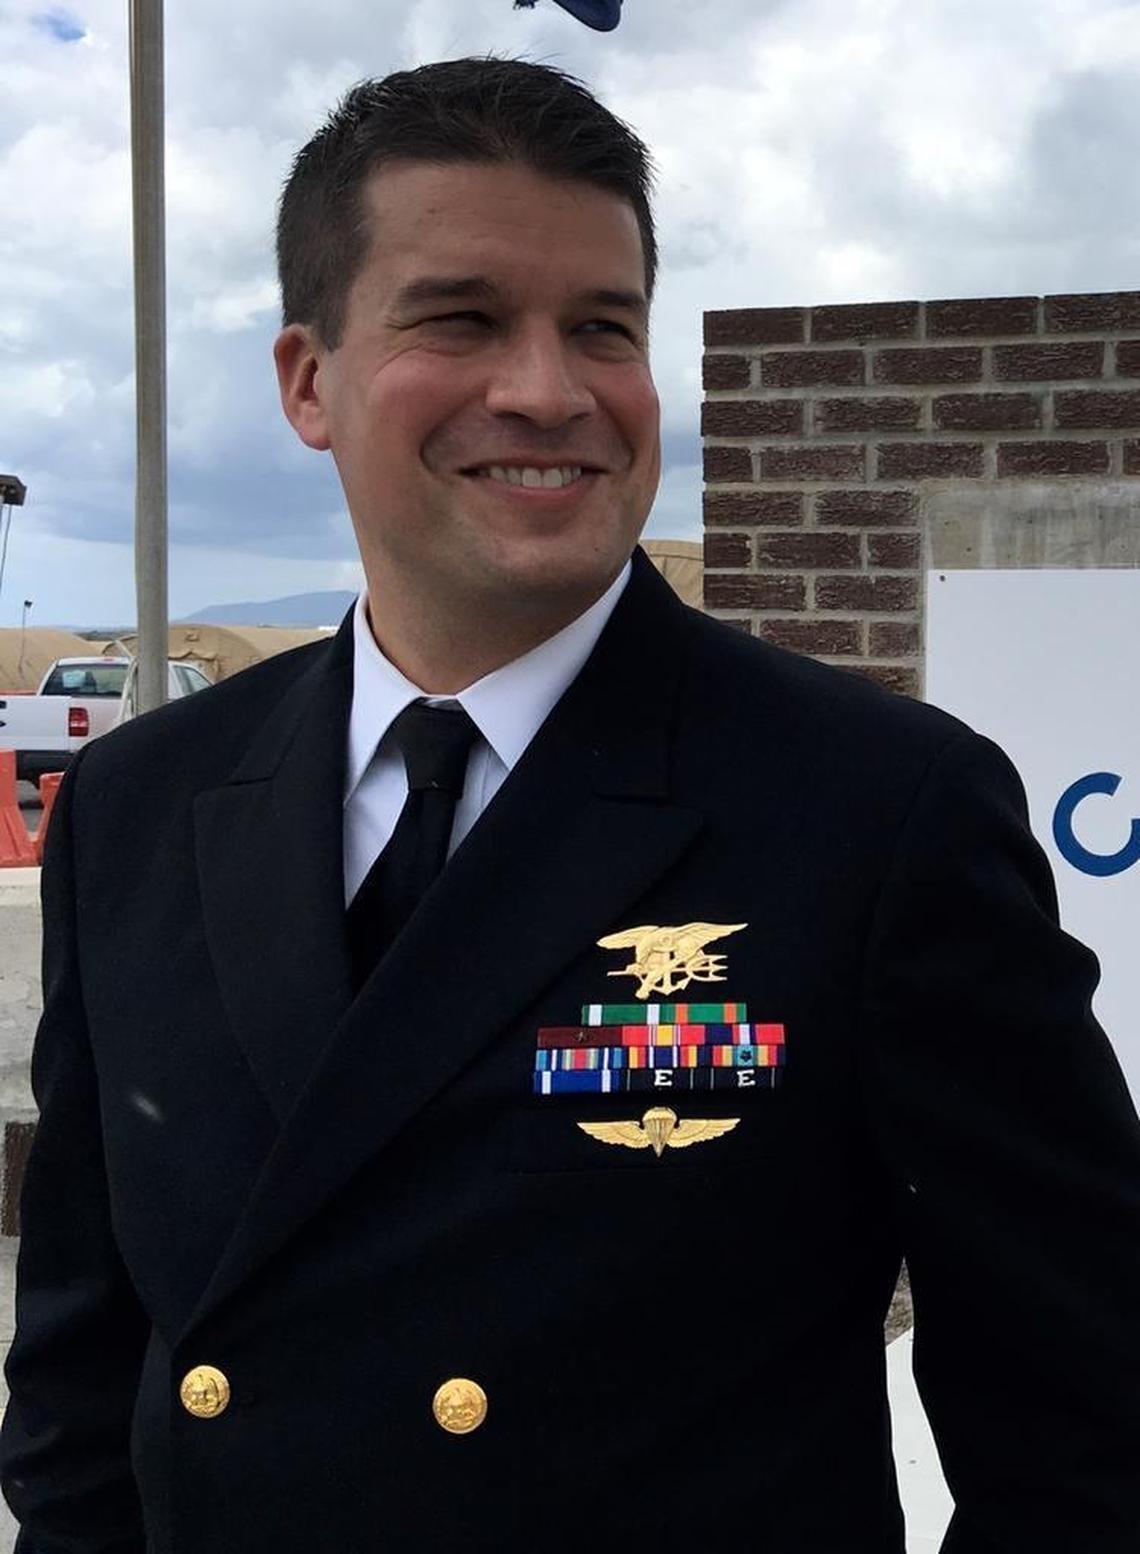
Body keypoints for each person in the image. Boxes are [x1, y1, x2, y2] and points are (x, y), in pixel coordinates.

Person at [2, 56, 1139, 1554]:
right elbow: (83, 1396)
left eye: (604, 327)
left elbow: (1088, 1436)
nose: (549, 388)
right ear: (306, 381)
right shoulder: (141, 805)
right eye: (461, 316)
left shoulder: (877, 810)